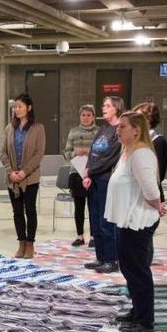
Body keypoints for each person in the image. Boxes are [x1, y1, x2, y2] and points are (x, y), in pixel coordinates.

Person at [107, 111, 166, 332]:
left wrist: (157, 204)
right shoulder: (128, 151)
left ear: (136, 130)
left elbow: (151, 189)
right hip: (127, 220)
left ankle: (145, 320)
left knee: (138, 271)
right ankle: (137, 310)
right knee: (129, 269)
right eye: (118, 126)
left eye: (122, 127)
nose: (117, 130)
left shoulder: (141, 154)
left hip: (138, 221)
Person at [0, 93, 46, 259]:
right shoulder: (9, 128)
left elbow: (38, 154)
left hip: (30, 178)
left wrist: (24, 172)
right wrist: (10, 171)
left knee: (30, 211)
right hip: (12, 179)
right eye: (15, 107)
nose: (16, 109)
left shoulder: (38, 128)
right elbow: (3, 152)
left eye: (20, 106)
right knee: (17, 212)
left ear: (29, 108)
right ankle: (21, 243)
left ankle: (30, 244)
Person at [83, 96, 125, 273]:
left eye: (107, 106)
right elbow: (93, 152)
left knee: (106, 221)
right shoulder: (103, 130)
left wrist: (90, 171)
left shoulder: (119, 131)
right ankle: (101, 257)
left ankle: (112, 259)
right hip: (93, 180)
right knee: (95, 221)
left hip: (107, 180)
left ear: (117, 109)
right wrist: (86, 171)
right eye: (103, 105)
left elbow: (109, 158)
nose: (103, 108)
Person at [63, 104, 99, 246]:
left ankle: (93, 237)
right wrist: (75, 153)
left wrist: (90, 152)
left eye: (89, 115)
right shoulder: (73, 132)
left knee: (93, 207)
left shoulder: (99, 132)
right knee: (79, 207)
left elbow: (103, 153)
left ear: (93, 117)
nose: (86, 118)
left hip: (93, 173)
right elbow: (66, 153)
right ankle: (80, 236)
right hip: (76, 173)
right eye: (83, 115)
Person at [132, 102, 167, 202]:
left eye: (138, 117)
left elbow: (158, 174)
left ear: (148, 119)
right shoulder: (134, 141)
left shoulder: (158, 141)